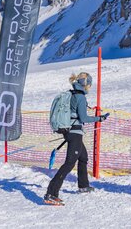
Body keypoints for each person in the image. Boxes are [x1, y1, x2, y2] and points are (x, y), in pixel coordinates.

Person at [44, 72, 109, 205]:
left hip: (73, 131)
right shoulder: (80, 97)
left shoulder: (73, 93)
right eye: (89, 84)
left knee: (83, 157)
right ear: (85, 84)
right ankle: (51, 193)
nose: (90, 87)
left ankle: (83, 185)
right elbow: (83, 118)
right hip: (74, 132)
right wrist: (99, 118)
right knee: (69, 163)